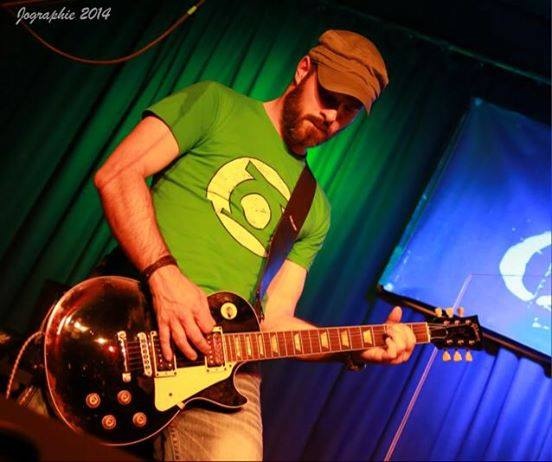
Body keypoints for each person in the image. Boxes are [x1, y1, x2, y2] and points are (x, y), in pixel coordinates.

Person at [93, 29, 416, 461]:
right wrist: (164, 277)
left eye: (348, 110)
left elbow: (275, 320)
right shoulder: (215, 104)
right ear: (303, 70)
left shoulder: (315, 208)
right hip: (131, 320)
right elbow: (118, 174)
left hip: (223, 367)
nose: (332, 117)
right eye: (328, 96)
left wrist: (355, 347)